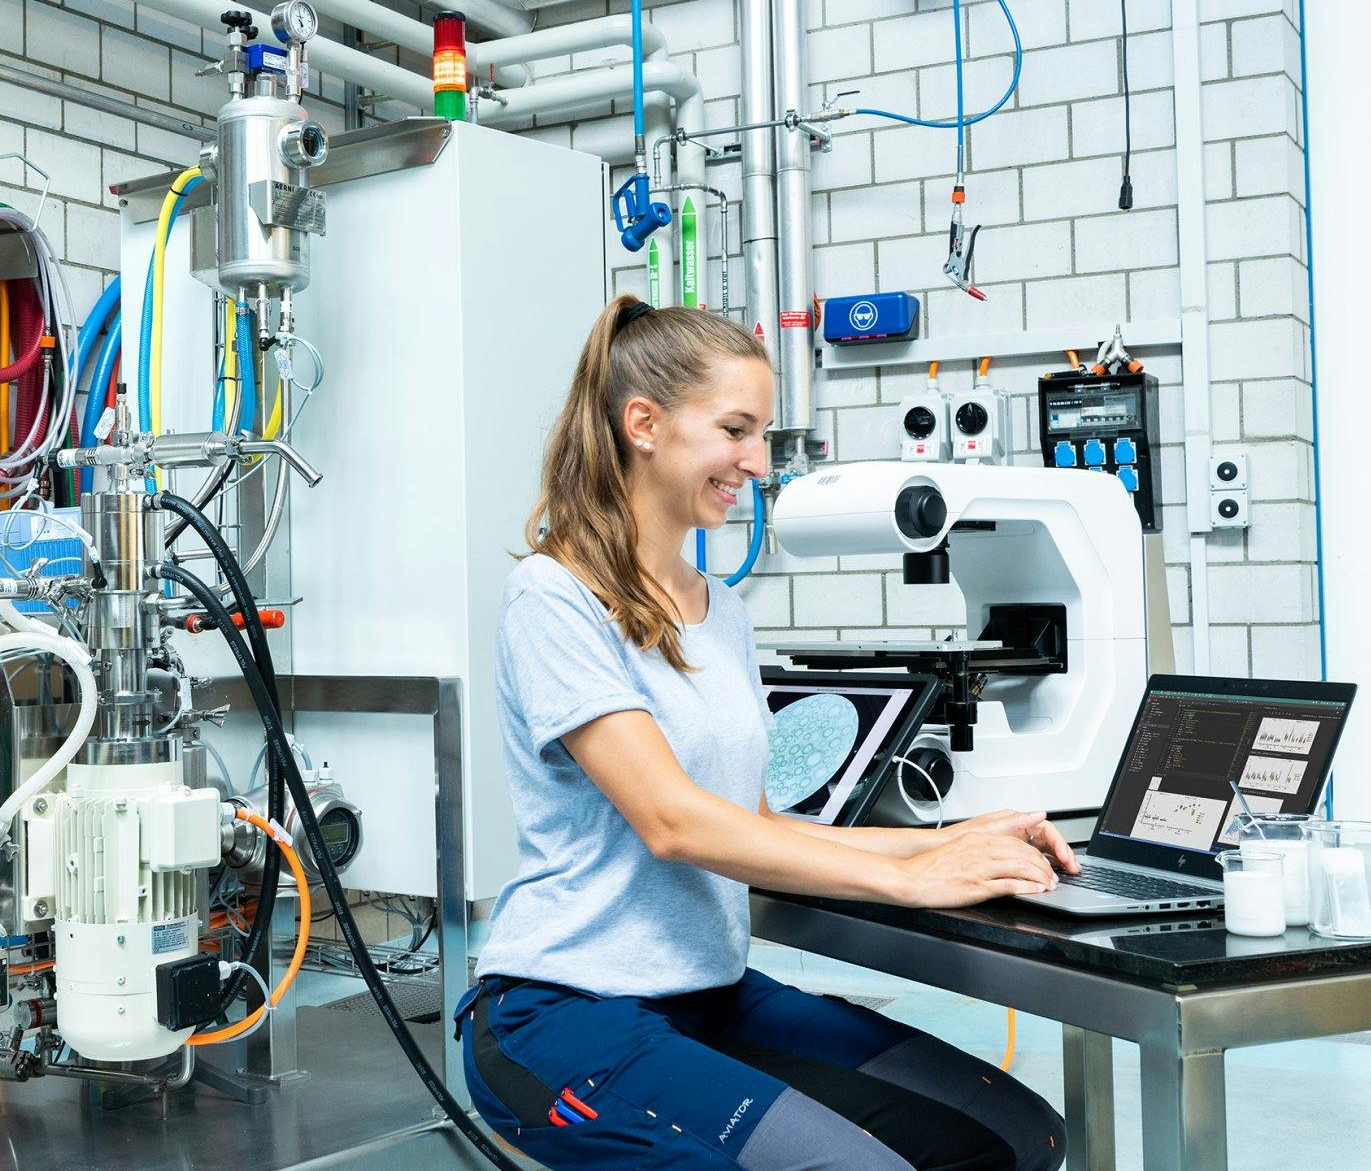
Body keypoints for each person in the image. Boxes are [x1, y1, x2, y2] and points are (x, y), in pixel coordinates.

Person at [456, 295, 1076, 1171]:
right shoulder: (555, 597)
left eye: (763, 435)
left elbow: (750, 820)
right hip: (565, 1008)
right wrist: (911, 884)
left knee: (1018, 1136)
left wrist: (949, 839)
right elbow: (675, 824)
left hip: (710, 994)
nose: (757, 460)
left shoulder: (722, 613)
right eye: (737, 430)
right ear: (645, 424)